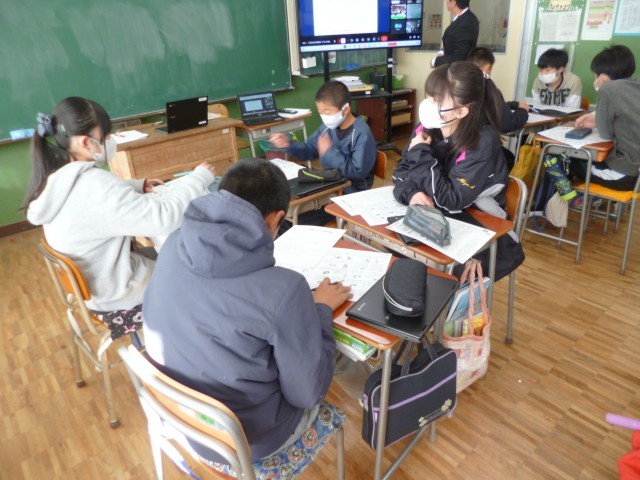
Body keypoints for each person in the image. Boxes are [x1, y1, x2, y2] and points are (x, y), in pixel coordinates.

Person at [142, 158, 352, 462]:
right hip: (245, 441)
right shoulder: (287, 289)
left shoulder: (175, 242)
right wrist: (320, 309)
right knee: (328, 360)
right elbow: (307, 395)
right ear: (276, 219)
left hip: (181, 417)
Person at [24, 97, 215, 329]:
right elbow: (163, 218)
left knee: (173, 253)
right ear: (85, 142)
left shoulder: (57, 177)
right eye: (105, 136)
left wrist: (135, 186)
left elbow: (96, 201)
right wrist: (197, 179)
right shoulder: (96, 185)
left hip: (99, 288)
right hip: (120, 297)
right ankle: (189, 338)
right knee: (202, 273)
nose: (110, 140)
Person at [392, 61, 523, 280]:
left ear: (462, 111)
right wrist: (411, 193)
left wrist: (420, 154)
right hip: (434, 214)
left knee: (432, 276)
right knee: (396, 250)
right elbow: (400, 173)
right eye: (429, 97)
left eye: (436, 100)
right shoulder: (426, 127)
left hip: (478, 222)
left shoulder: (481, 143)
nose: (428, 105)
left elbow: (451, 200)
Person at [269, 80, 377, 194]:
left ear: (345, 109)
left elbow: (358, 172)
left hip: (353, 190)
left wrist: (329, 152)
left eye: (327, 112)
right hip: (331, 182)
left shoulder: (361, 133)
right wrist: (288, 145)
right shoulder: (327, 128)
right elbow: (308, 150)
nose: (324, 117)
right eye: (321, 113)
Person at [570, 45, 640, 191]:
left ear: (602, 76)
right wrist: (596, 119)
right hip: (636, 175)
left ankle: (565, 200)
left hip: (623, 175)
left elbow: (606, 135)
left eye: (595, 75)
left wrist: (598, 121)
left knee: (559, 159)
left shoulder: (608, 89)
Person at [468, 47, 530, 134]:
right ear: (488, 67)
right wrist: (523, 111)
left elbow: (487, 107)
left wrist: (511, 105)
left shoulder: (461, 84)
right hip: (484, 140)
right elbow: (507, 124)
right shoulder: (489, 88)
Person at [431, 0, 479, 68]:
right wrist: (442, 52)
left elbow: (460, 57)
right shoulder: (463, 18)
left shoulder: (466, 23)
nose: (446, 2)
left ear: (453, 3)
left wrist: (435, 62)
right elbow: (454, 41)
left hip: (458, 71)